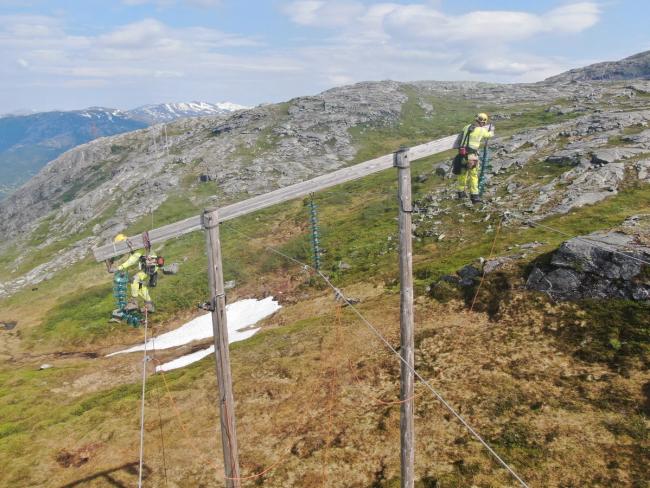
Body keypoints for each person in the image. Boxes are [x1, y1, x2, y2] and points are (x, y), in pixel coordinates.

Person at [113, 234, 158, 313]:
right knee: (140, 285)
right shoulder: (139, 247)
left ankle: (134, 302)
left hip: (150, 267)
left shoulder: (139, 248)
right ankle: (149, 304)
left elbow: (132, 260)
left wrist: (120, 267)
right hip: (151, 267)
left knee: (134, 280)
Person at [456, 113, 494, 204]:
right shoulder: (481, 130)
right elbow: (489, 135)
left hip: (462, 155)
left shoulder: (467, 127)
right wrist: (492, 130)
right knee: (473, 176)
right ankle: (475, 197)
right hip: (472, 156)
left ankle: (461, 193)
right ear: (483, 121)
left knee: (462, 174)